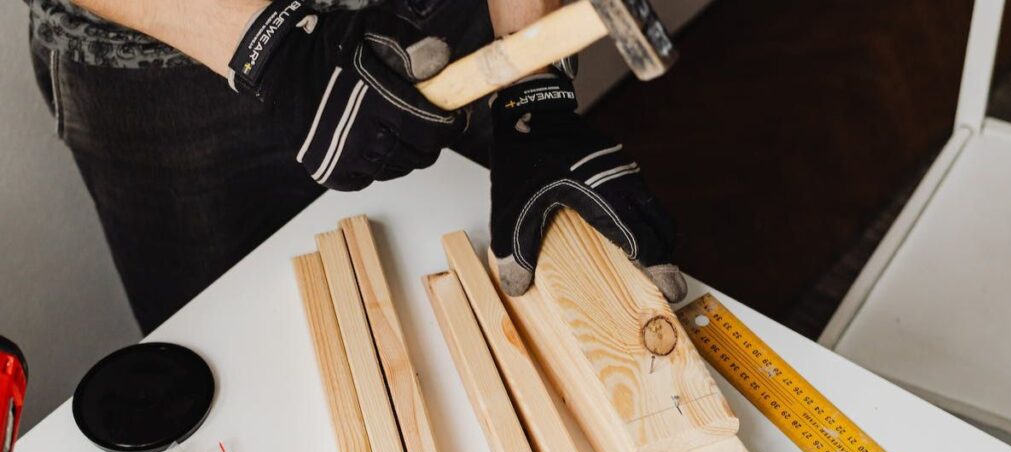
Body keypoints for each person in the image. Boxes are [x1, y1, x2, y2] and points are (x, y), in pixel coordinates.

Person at [27, 0, 683, 332]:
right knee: (238, 367)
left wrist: (533, 86)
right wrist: (272, 48)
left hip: (420, 34)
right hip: (168, 65)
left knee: (480, 327)